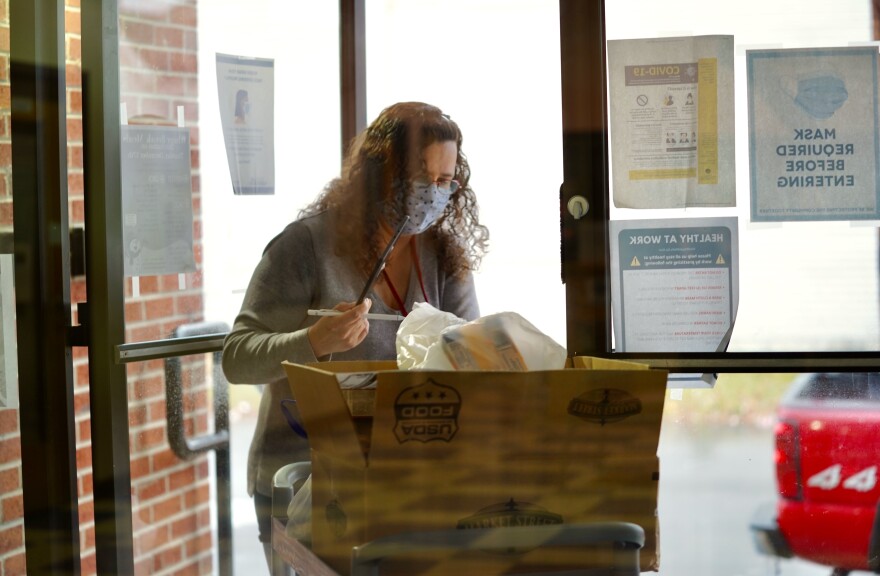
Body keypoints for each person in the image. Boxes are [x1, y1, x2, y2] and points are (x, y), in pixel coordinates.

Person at [221, 101, 489, 567]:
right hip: (300, 479)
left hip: (404, 478)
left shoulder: (442, 255)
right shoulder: (305, 246)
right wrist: (314, 341)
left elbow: (472, 355)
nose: (434, 194)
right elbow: (238, 357)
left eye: (445, 182)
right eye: (422, 179)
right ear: (380, 174)